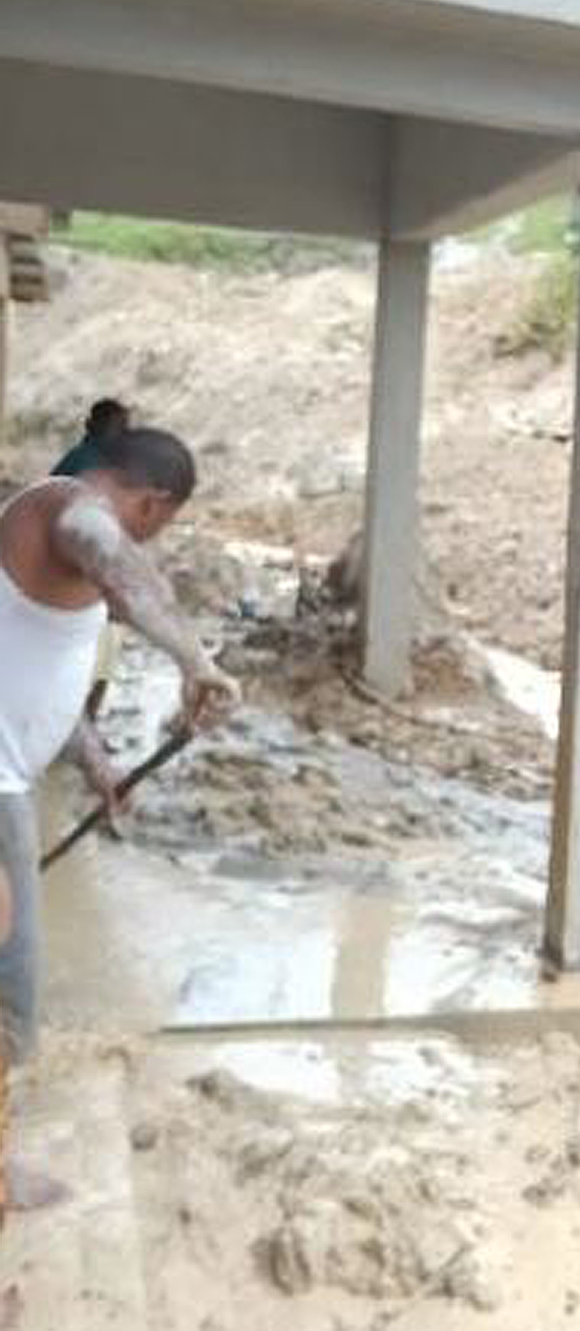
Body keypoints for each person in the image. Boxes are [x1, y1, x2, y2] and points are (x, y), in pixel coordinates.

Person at [0, 425, 240, 1227]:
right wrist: (195, 658)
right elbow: (114, 559)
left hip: (8, 779)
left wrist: (96, 762)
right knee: (7, 994)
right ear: (151, 504)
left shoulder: (43, 565)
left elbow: (27, 676)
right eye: (156, 528)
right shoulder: (67, 512)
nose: (145, 542)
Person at [53, 399, 134, 720]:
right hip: (79, 572)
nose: (125, 434)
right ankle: (84, 717)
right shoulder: (89, 464)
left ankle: (81, 716)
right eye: (120, 427)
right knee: (102, 643)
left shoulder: (85, 460)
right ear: (98, 426)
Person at [51, 397, 131, 479]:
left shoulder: (82, 452)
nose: (126, 432)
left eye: (125, 425)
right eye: (120, 426)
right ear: (98, 426)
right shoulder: (88, 458)